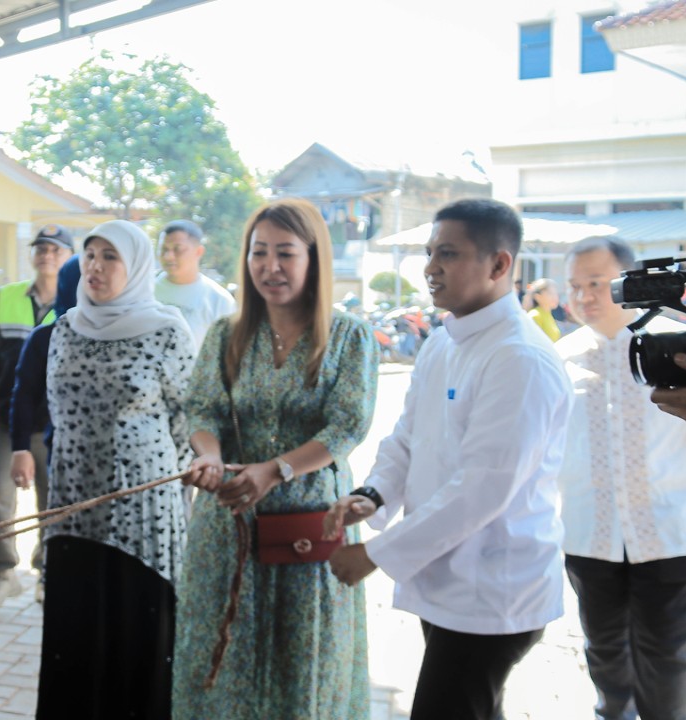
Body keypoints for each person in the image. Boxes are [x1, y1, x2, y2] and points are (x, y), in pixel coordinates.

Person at [325, 199, 572, 720]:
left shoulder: (518, 358)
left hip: (493, 590)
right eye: (430, 252)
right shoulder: (442, 343)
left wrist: (375, 555)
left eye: (449, 254)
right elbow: (408, 438)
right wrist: (373, 495)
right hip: (447, 579)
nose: (431, 267)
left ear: (500, 265)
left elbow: (482, 490)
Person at [173, 198, 378, 719]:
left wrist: (277, 469)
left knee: (306, 661)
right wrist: (212, 459)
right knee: (221, 656)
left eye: (285, 253)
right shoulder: (227, 334)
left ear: (314, 259)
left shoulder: (348, 336)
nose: (270, 267)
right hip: (229, 524)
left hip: (309, 526)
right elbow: (203, 409)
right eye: (258, 253)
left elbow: (347, 425)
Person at [557, 235, 686, 720]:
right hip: (589, 534)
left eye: (597, 283)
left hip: (668, 531)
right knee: (602, 647)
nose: (584, 296)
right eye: (575, 285)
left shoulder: (676, 345)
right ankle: (612, 712)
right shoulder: (559, 358)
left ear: (626, 285)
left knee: (667, 653)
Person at [37, 220, 194, 719]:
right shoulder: (64, 327)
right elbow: (56, 411)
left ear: (136, 265)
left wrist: (146, 476)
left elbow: (190, 425)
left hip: (141, 518)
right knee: (75, 635)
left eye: (110, 256)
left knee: (132, 633)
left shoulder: (166, 330)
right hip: (72, 508)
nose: (96, 266)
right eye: (89, 255)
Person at [0, 224, 73, 614]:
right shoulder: (8, 297)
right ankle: (3, 574)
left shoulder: (78, 302)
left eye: (56, 250)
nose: (47, 255)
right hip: (4, 419)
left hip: (52, 424)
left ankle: (48, 571)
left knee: (53, 500)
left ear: (68, 257)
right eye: (41, 248)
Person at [8, 254, 81, 604]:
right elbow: (23, 394)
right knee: (57, 517)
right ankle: (50, 575)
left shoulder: (132, 336)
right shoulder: (46, 338)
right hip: (60, 453)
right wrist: (20, 447)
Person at [155, 219, 235, 350]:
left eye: (177, 249)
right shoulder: (144, 289)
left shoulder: (219, 300)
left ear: (198, 252)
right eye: (164, 249)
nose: (168, 256)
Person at [525, 277, 561, 342]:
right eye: (550, 293)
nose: (555, 297)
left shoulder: (548, 314)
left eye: (556, 293)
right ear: (538, 297)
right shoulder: (535, 316)